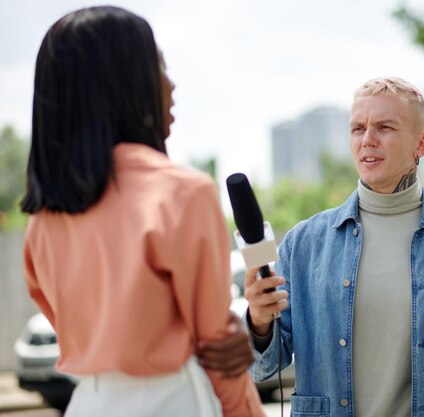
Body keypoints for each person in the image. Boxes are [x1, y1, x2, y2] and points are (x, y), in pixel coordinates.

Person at [20, 6, 264, 417]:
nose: (171, 85)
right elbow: (219, 353)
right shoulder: (182, 194)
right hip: (173, 401)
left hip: (88, 404)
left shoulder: (43, 221)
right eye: (160, 66)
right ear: (124, 84)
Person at [242, 77, 424, 416]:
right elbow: (259, 369)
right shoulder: (303, 245)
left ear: (422, 144)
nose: (367, 139)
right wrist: (259, 322)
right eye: (357, 128)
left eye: (384, 127)